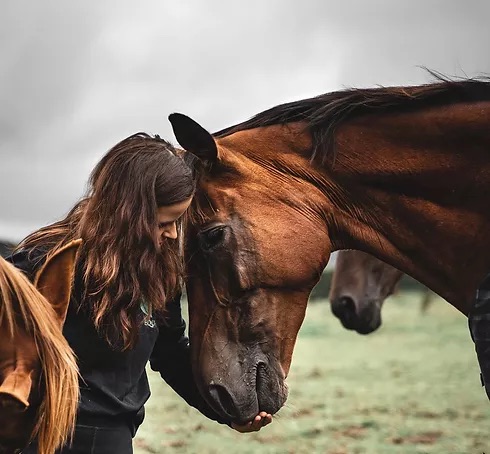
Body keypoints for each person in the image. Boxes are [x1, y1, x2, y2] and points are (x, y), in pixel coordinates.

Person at [10, 133, 272, 454]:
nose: (173, 233)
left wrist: (224, 413)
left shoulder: (159, 270)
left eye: (179, 221)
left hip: (116, 439)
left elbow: (171, 352)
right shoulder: (44, 261)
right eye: (165, 221)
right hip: (41, 439)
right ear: (129, 213)